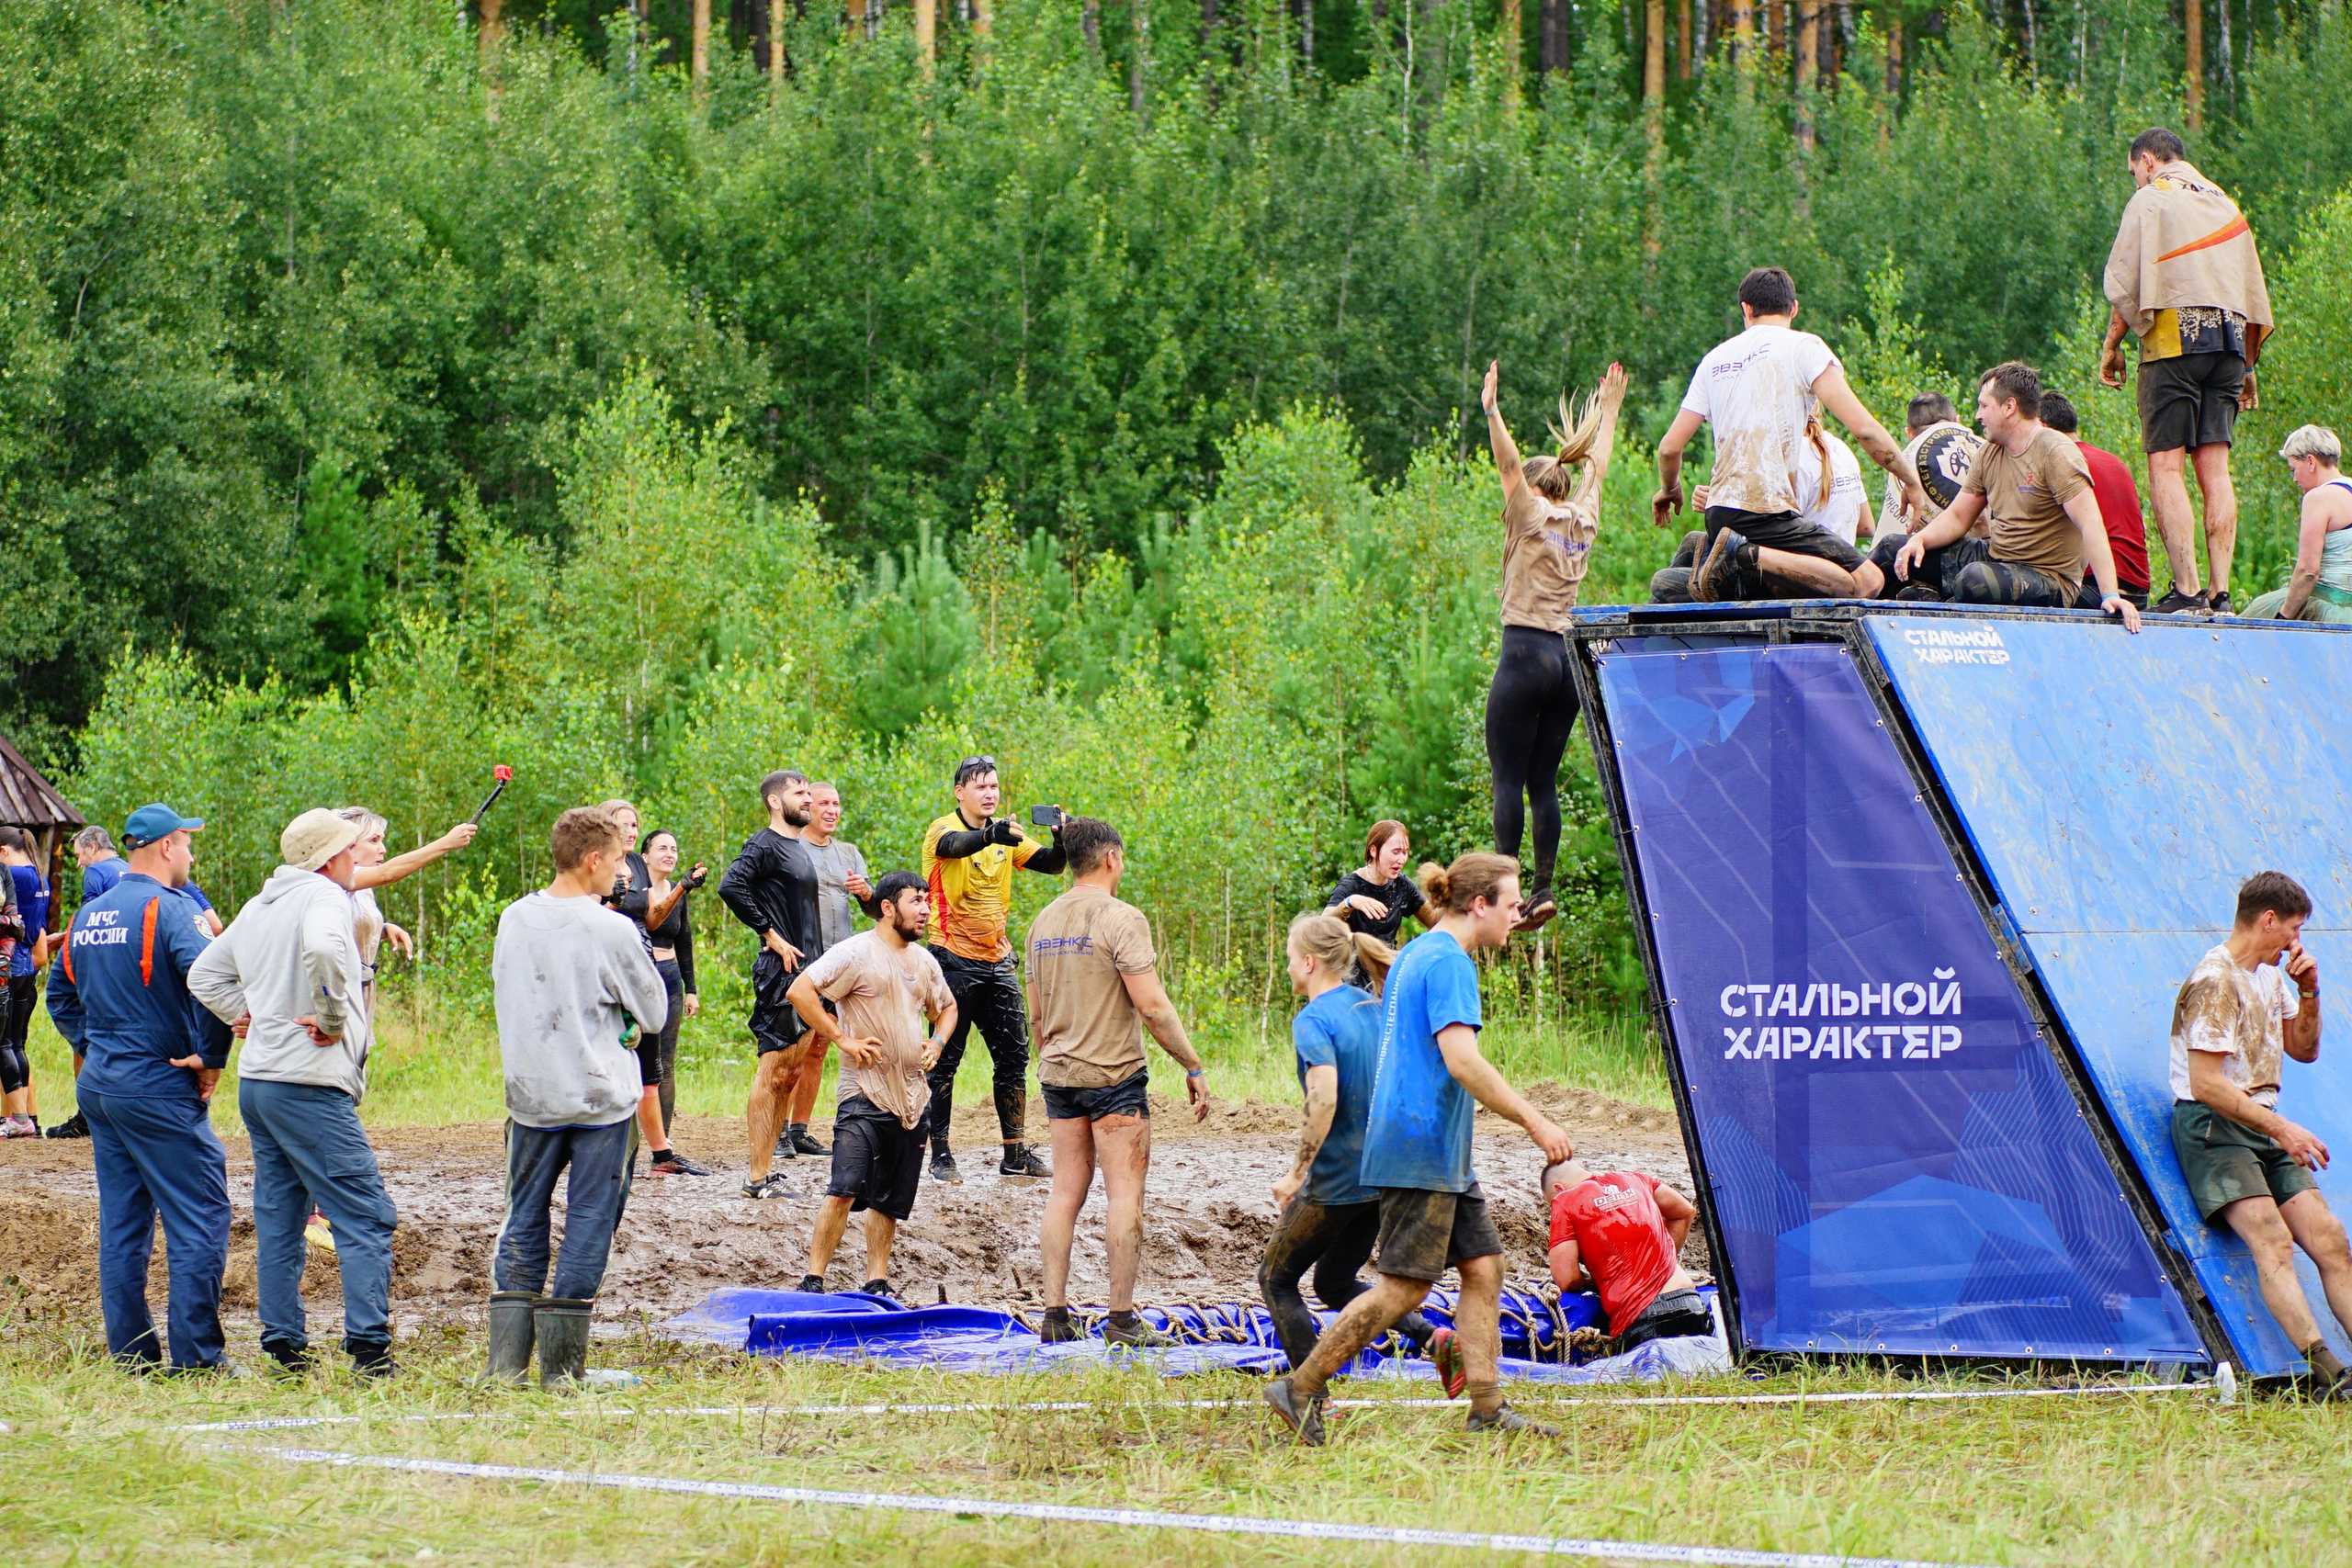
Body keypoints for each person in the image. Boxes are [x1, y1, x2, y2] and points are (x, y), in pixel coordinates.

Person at [1262, 852, 1577, 1444]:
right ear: (1478, 904)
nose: (1518, 917)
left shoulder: (1418, 951)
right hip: (1420, 1145)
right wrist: (1537, 1122)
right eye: (1511, 906)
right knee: (1404, 1286)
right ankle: (1300, 1386)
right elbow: (1462, 1061)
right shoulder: (1449, 964)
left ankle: (1486, 1406)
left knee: (1485, 1267)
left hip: (1439, 1149)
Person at [188, 809, 398, 1378]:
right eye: (352, 848)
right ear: (331, 857)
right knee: (367, 1215)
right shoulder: (326, 898)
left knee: (281, 1217)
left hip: (260, 1084)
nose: (357, 858)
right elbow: (328, 954)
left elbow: (204, 975)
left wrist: (246, 1015)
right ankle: (370, 1352)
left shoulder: (261, 905)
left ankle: (283, 1346)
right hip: (308, 1083)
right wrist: (332, 1017)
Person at [481, 806, 670, 1388]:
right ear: (592, 860)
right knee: (590, 1220)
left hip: (531, 1099)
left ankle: (505, 1367)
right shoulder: (609, 926)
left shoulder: (513, 917)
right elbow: (655, 1012)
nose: (623, 873)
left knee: (523, 1218)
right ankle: (563, 1372)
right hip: (599, 1101)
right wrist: (629, 1025)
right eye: (617, 861)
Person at [45, 805, 233, 1372]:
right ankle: (198, 1358)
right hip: (157, 1082)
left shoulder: (88, 916)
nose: (192, 856)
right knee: (201, 1212)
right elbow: (213, 981)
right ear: (167, 847)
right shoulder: (173, 910)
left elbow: (59, 996)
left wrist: (97, 1044)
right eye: (188, 844)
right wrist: (212, 1056)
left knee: (124, 1223)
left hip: (101, 1086)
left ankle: (132, 1355)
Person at [2168, 871, 2352, 1399]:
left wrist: (2310, 990)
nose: (2298, 943)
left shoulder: (2272, 975)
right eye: (2293, 930)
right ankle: (2330, 1376)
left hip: (2263, 1122)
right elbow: (2205, 1085)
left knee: (2332, 1241)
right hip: (2214, 1127)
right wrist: (2283, 1127)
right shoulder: (2215, 981)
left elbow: (2305, 1048)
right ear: (2267, 920)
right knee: (2272, 1241)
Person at [1027, 817, 1208, 1348]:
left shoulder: (1041, 921)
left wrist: (1055, 1056)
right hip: (1114, 1076)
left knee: (1065, 1191)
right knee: (1124, 1193)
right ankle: (1122, 1320)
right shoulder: (1122, 918)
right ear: (1110, 858)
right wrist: (1191, 1064)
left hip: (1059, 1074)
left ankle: (1055, 1316)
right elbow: (1151, 1005)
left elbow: (1035, 1014)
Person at [1653, 266, 1929, 602]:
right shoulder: (1804, 347)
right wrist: (1910, 480)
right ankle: (1741, 555)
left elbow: (1669, 448)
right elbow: (1866, 430)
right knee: (1868, 582)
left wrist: (1671, 489)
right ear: (1793, 308)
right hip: (1768, 512)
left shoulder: (1714, 360)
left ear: (1746, 309)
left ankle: (1727, 561)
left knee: (1790, 583)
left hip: (1720, 514)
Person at [1477, 357, 1626, 931]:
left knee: (1507, 779)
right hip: (1567, 664)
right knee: (1542, 783)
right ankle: (1542, 889)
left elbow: (1508, 464)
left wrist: (1493, 411)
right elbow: (1601, 466)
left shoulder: (1532, 513)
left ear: (1537, 488)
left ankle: (1507, 895)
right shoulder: (1583, 517)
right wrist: (1610, 409)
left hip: (1524, 653)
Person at [2101, 127, 2272, 615]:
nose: (2134, 180)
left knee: (2166, 463)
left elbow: (2128, 281)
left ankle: (2188, 591)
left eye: (2133, 171)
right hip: (2231, 344)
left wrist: (2113, 346)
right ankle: (2222, 593)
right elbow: (2249, 289)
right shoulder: (2226, 204)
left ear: (2148, 161)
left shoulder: (2152, 199)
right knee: (2216, 470)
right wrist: (2248, 364)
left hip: (2176, 338)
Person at [1258, 912, 1438, 1371]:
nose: (1288, 968)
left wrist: (1296, 1174)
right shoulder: (1374, 1008)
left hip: (1337, 1179)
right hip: (1382, 1177)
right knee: (1334, 1283)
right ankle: (1433, 1338)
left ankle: (1309, 1395)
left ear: (1311, 962)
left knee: (1276, 1281)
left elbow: (1323, 1100)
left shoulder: (1313, 1019)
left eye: (1290, 959)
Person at [1855, 364, 2143, 632]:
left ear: (2009, 407)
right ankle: (1860, 621)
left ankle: (1933, 613)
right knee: (1894, 548)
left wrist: (2110, 594)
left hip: (2047, 578)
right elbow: (1957, 517)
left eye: (1983, 406)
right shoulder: (1989, 451)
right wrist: (1920, 540)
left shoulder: (2055, 451)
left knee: (1974, 580)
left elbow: (2091, 524)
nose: (1977, 415)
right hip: (1996, 557)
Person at [786, 872, 954, 1300]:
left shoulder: (924, 960)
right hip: (862, 1093)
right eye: (916, 901)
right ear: (887, 907)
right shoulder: (856, 952)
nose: (925, 910)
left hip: (913, 1097)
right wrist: (841, 1037)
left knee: (888, 1202)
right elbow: (801, 990)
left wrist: (936, 1040)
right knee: (844, 1188)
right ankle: (813, 1280)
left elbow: (948, 1008)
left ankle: (876, 1281)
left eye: (927, 902)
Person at [921, 756, 1069, 1184]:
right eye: (981, 787)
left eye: (995, 787)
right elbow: (954, 847)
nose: (989, 794)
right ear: (959, 792)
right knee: (945, 1060)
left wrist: (1060, 841)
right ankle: (941, 1155)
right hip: (951, 958)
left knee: (1013, 1059)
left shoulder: (1005, 834)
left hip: (996, 960)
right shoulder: (942, 827)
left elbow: (1052, 865)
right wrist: (989, 835)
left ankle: (1015, 1153)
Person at [718, 770, 824, 1199]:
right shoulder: (764, 843)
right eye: (800, 793)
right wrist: (769, 934)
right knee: (773, 1071)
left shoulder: (795, 846)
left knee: (791, 1072)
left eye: (809, 793)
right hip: (781, 972)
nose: (809, 800)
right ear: (776, 802)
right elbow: (730, 885)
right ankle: (756, 1178)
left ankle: (764, 1173)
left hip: (808, 972)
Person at [787, 781, 875, 1159]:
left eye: (837, 803)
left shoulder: (849, 852)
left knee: (820, 1049)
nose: (832, 810)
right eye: (824, 803)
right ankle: (776, 1129)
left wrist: (866, 892)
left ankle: (799, 1130)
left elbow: (874, 910)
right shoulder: (792, 848)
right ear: (809, 809)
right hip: (802, 962)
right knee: (792, 1049)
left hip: (840, 967)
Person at [1542, 1158, 1711, 1351]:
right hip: (1690, 1303)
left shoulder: (1564, 1200)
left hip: (1641, 1318)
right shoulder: (1636, 1179)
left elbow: (1566, 1279)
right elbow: (1685, 1211)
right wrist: (1664, 1259)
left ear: (1558, 1189)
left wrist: (1595, 1283)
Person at [339, 809, 479, 1015]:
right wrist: (446, 843)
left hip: (361, 994)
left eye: (382, 840)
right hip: (342, 994)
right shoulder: (341, 878)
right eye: (373, 841)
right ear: (348, 846)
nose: (383, 849)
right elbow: (387, 873)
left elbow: (348, 924)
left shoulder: (363, 888)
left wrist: (384, 929)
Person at [631, 829, 707, 1176]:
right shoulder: (634, 890)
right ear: (644, 855)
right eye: (662, 848)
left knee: (666, 1060)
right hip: (639, 976)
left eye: (674, 848)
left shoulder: (680, 892)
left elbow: (686, 940)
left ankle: (663, 1147)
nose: (670, 853)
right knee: (634, 1055)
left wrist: (691, 988)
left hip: (670, 975)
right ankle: (628, 1139)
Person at [2037, 391, 2153, 612]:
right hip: (2138, 592)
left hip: (2095, 589)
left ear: (2043, 428)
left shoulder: (2062, 461)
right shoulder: (2113, 461)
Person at [2245, 425, 2352, 624]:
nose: (2294, 479)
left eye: (2294, 469)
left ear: (2311, 461)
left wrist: (2282, 617)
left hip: (2330, 608)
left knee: (2249, 630)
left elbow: (2308, 572)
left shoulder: (2318, 498)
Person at [1871, 392, 1973, 546]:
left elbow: (1893, 532)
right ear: (1957, 420)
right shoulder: (1984, 446)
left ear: (1909, 433)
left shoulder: (1906, 460)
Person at [0, 827, 49, 1137]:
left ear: (4, 851)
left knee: (5, 1044)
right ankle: (28, 1117)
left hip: (11, 960)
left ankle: (19, 1118)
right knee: (16, 1043)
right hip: (28, 962)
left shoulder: (13, 876)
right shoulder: (39, 876)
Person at [1324, 820, 1430, 948]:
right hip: (1353, 966)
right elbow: (1322, 926)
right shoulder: (1351, 885)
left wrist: (1453, 894)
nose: (1401, 860)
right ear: (1373, 851)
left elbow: (1435, 920)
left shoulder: (1402, 885)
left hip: (1389, 965)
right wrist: (1349, 903)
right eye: (1396, 852)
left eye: (1405, 852)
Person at [75, 826, 125, 900]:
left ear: (93, 847)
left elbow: (90, 910)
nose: (78, 864)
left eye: (79, 855)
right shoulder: (130, 868)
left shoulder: (95, 871)